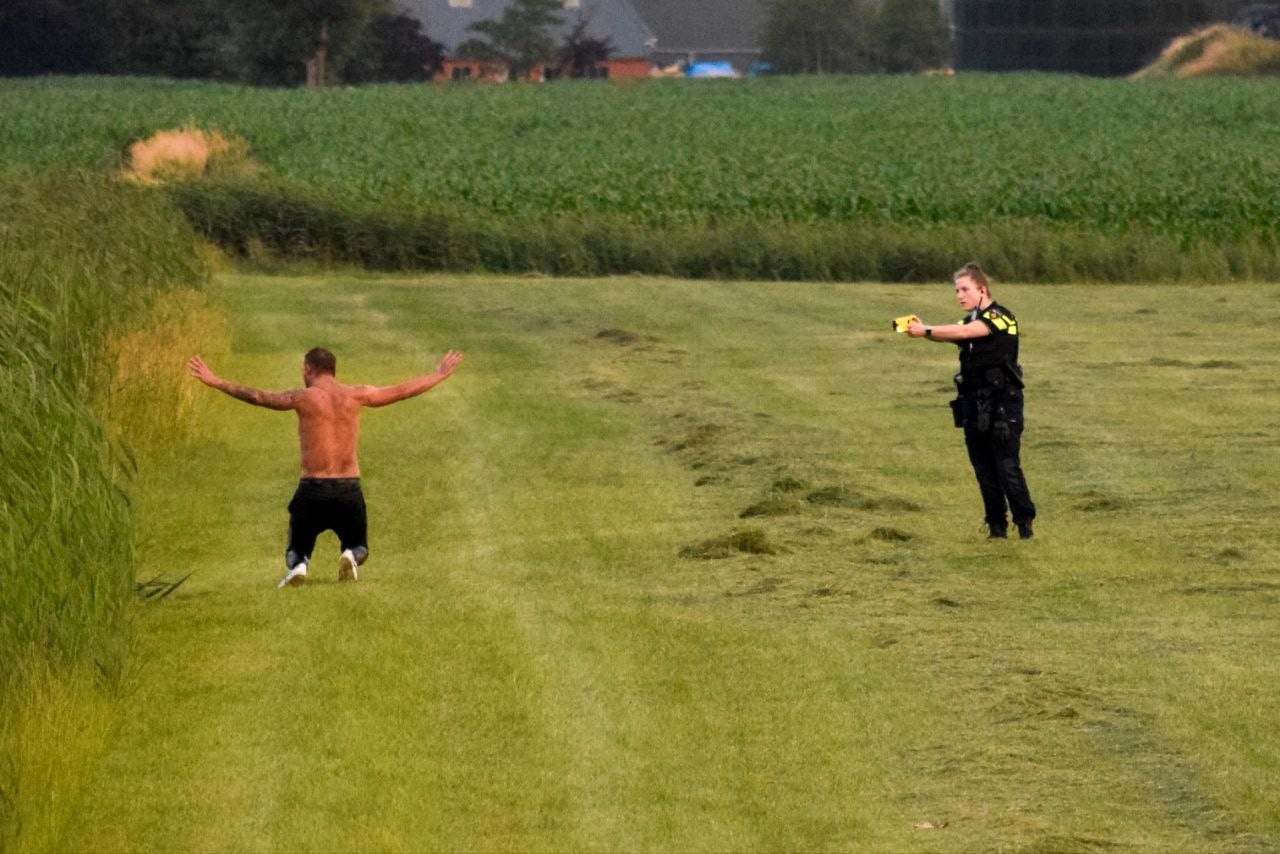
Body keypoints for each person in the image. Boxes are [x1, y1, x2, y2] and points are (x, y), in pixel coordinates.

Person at [188, 347, 463, 587]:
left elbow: (258, 397)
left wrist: (215, 381)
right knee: (360, 547)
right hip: (349, 488)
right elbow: (401, 392)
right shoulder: (357, 395)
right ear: (333, 370)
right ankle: (350, 556)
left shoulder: (302, 397)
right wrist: (438, 374)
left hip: (313, 489)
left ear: (309, 369)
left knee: (297, 548)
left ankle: (300, 565)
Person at [906, 263, 1036, 539]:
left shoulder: (1002, 317)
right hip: (974, 403)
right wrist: (920, 329)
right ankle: (996, 527)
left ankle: (1024, 525)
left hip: (1003, 404)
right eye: (956, 290)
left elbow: (966, 333)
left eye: (965, 289)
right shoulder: (968, 320)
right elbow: (953, 333)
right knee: (983, 468)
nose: (959, 295)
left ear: (982, 289)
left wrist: (926, 330)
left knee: (1006, 465)